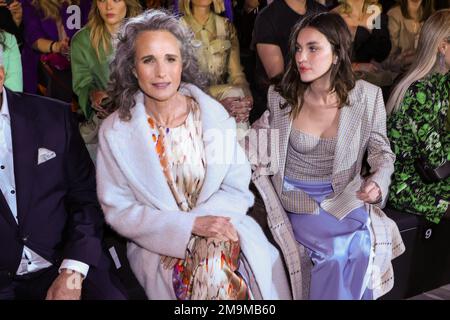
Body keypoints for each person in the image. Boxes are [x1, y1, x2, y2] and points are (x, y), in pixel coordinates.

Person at [96, 9, 291, 300]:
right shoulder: (115, 132)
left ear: (182, 63)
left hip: (224, 227)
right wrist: (185, 230)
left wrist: (202, 226)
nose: (161, 72)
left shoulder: (213, 116)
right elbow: (119, 209)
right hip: (157, 246)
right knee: (211, 272)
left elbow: (237, 188)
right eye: (149, 60)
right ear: (133, 69)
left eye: (170, 59)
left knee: (212, 263)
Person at [248, 12, 404, 300]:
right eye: (297, 48)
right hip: (297, 197)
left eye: (313, 48)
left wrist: (379, 181)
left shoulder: (367, 97)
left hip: (346, 195)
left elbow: (382, 152)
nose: (300, 57)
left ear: (336, 54)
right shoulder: (282, 97)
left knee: (360, 245)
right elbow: (256, 145)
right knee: (334, 252)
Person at [0, 58, 126, 300]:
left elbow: (86, 196)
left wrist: (73, 269)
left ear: (1, 75)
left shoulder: (52, 117)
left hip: (68, 257)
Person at [386, 9, 450, 224]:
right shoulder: (419, 92)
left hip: (428, 175)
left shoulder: (441, 82)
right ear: (443, 46)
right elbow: (437, 161)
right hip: (407, 184)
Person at [71, 0, 142, 159]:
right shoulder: (82, 41)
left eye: (116, 0)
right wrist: (92, 95)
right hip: (107, 121)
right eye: (103, 0)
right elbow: (82, 85)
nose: (109, 7)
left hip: (146, 116)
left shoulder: (145, 34)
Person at [179, 0, 253, 135]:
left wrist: (246, 100)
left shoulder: (226, 27)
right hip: (188, 99)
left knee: (237, 96)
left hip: (225, 95)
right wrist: (216, 103)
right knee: (234, 95)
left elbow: (237, 75)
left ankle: (242, 150)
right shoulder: (176, 29)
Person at [251, 0, 325, 123]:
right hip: (281, 106)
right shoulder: (268, 18)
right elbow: (278, 79)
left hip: (321, 96)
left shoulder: (322, 14)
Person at [21, 0, 91, 97]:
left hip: (81, 62)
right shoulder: (32, 4)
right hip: (46, 69)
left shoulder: (84, 3)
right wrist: (57, 46)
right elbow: (34, 39)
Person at [332, 0, 392, 87]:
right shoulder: (333, 16)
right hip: (342, 79)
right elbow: (329, 59)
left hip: (370, 80)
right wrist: (356, 66)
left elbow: (381, 54)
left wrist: (376, 24)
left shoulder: (374, 13)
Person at [383, 0, 434, 76]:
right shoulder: (394, 14)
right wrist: (407, 60)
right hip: (398, 75)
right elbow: (387, 60)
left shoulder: (431, 15)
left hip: (424, 72)